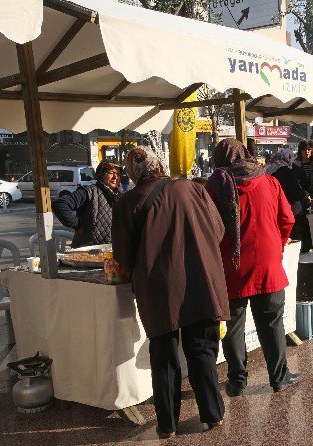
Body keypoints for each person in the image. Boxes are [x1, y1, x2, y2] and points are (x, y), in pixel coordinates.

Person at [111, 148, 229, 438]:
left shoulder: (127, 202)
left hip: (158, 288)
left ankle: (167, 425)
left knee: (163, 357)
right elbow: (219, 230)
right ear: (159, 165)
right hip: (199, 280)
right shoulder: (193, 189)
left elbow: (123, 257)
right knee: (201, 351)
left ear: (133, 172)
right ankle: (212, 415)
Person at [205, 138, 301, 397]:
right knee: (272, 324)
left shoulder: (214, 189)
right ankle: (279, 377)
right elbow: (287, 219)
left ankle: (237, 381)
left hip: (231, 268)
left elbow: (208, 231)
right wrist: (277, 245)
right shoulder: (269, 182)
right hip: (267, 264)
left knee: (233, 327)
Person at [52, 160, 122, 248]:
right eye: (111, 173)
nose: (115, 177)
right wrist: (77, 226)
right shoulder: (89, 192)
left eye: (118, 174)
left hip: (111, 250)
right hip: (88, 250)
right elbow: (60, 204)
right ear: (101, 175)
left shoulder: (119, 195)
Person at [266, 147, 310, 224]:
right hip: (289, 210)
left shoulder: (269, 170)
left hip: (273, 209)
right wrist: (306, 194)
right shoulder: (287, 171)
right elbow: (296, 193)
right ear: (286, 158)